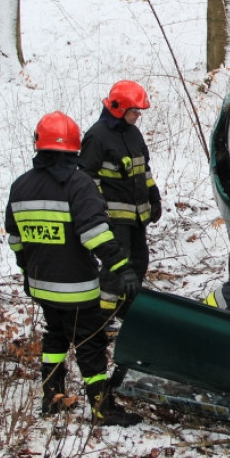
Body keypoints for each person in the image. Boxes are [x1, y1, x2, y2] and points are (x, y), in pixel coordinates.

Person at [5, 111, 143, 427]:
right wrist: (123, 268)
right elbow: (95, 233)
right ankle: (101, 407)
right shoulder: (78, 184)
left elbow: (15, 238)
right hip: (76, 287)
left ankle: (52, 397)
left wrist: (27, 269)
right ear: (74, 147)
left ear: (39, 145)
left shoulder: (21, 186)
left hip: (41, 284)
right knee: (90, 343)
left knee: (55, 335)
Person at [79, 80, 161, 318]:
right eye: (135, 111)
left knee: (139, 262)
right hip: (114, 217)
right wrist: (99, 211)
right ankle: (103, 316)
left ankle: (126, 311)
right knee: (116, 267)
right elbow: (87, 179)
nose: (138, 115)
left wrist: (154, 198)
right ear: (119, 108)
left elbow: (143, 170)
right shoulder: (97, 137)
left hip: (136, 217)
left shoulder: (134, 134)